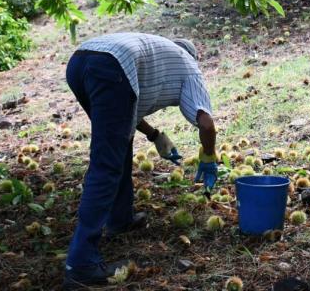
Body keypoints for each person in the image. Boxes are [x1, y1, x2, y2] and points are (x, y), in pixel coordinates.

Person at [62, 33, 218, 289]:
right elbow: (207, 124)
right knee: (106, 163)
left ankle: (120, 219)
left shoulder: (155, 57)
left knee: (118, 145)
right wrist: (209, 156)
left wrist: (155, 136)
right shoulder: (189, 67)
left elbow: (126, 113)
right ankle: (81, 263)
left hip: (80, 62)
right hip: (110, 66)